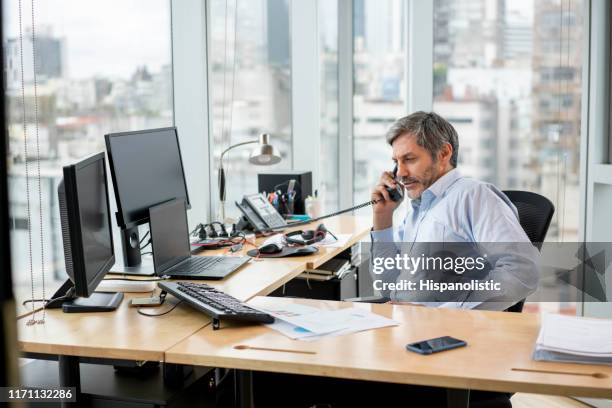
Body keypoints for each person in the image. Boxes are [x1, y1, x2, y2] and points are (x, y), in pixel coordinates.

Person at [370, 111, 539, 311]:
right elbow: (388, 285)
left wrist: (444, 314)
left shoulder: (472, 196)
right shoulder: (419, 210)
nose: (401, 173)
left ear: (443, 154)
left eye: (409, 159)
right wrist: (382, 217)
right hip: (402, 322)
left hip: (444, 332)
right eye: (396, 162)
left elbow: (522, 271)